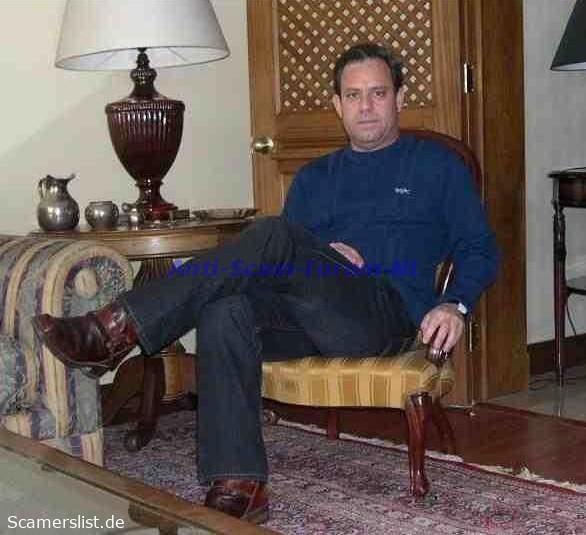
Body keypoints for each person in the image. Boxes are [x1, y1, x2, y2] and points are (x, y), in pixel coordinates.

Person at [32, 43, 499, 524]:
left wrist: (456, 304)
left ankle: (116, 327)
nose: (365, 106)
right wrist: (320, 253)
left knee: (273, 233)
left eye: (378, 93)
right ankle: (240, 484)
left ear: (399, 98)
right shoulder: (315, 178)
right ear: (337, 105)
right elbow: (280, 271)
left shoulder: (435, 167)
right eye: (353, 95)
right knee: (225, 309)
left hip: (384, 314)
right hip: (308, 317)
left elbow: (480, 248)